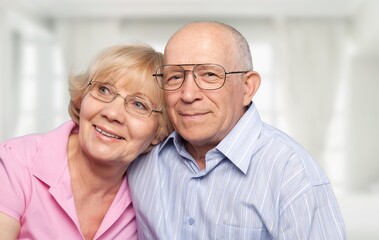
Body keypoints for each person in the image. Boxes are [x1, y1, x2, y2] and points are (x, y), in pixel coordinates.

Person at [127, 21, 346, 239]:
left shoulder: (293, 175)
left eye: (210, 75)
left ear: (247, 88)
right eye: (175, 77)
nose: (188, 94)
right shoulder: (142, 158)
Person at [0, 44, 171, 239]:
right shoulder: (15, 161)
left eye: (139, 104)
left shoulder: (153, 198)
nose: (112, 113)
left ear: (159, 131)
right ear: (82, 98)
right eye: (104, 90)